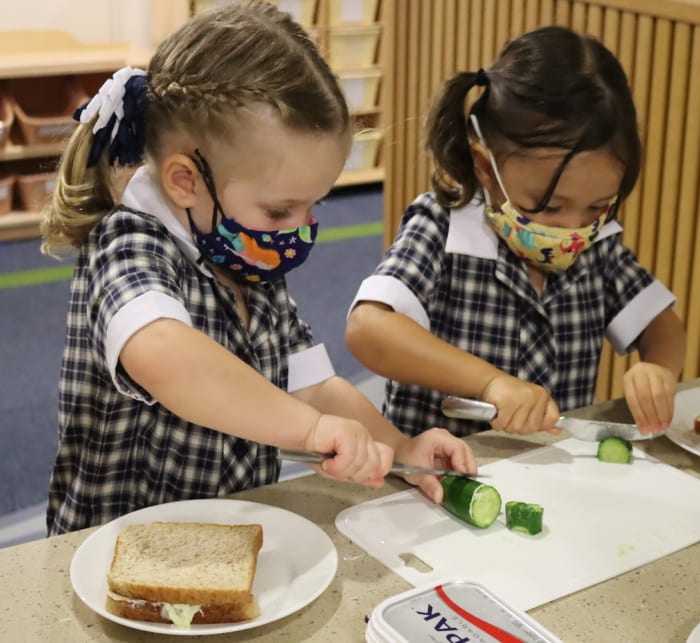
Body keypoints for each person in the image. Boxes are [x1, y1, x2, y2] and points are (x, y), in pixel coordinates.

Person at [41, 2, 474, 536]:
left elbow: (311, 385)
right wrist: (310, 430)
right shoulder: (129, 243)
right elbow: (165, 356)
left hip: (230, 534)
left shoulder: (246, 249)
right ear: (184, 181)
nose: (299, 228)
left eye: (312, 206)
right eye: (279, 211)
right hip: (121, 543)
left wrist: (400, 447)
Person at [346, 26, 686, 439]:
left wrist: (659, 369)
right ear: (486, 167)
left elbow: (662, 323)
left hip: (550, 470)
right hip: (442, 477)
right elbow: (368, 329)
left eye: (597, 207)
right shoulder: (443, 225)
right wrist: (490, 382)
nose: (572, 227)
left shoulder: (598, 245)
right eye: (547, 205)